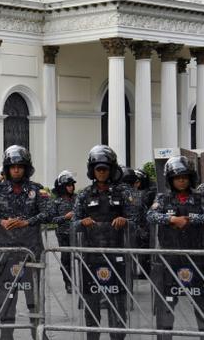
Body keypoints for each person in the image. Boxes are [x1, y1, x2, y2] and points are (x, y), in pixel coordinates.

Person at [0, 145, 52, 340]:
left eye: (20, 166)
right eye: (13, 167)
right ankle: (6, 335)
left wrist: (28, 221)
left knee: (35, 299)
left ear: (26, 168)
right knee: (7, 298)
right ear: (7, 169)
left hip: (32, 253)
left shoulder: (37, 190)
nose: (16, 170)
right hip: (6, 254)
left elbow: (49, 212)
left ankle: (38, 333)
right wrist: (1, 221)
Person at [147, 156, 204, 340]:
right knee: (166, 306)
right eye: (177, 177)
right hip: (169, 261)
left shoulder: (201, 198)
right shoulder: (163, 199)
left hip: (197, 260)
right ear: (170, 180)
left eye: (185, 177)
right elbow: (150, 216)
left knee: (203, 306)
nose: (181, 180)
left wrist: (190, 220)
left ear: (190, 178)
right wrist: (171, 219)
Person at [72, 145, 134, 340]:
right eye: (98, 169)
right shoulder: (83, 195)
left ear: (111, 170)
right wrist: (82, 222)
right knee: (91, 304)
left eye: (105, 169)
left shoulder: (122, 193)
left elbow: (137, 221)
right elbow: (74, 222)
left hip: (117, 256)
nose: (101, 172)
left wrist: (126, 221)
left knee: (118, 303)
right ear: (92, 171)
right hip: (91, 257)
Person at [51, 170, 76, 293]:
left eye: (72, 185)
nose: (71, 188)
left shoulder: (77, 199)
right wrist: (65, 217)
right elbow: (51, 219)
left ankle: (83, 282)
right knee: (66, 259)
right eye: (68, 185)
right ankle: (68, 283)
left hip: (78, 234)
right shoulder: (56, 201)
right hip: (63, 234)